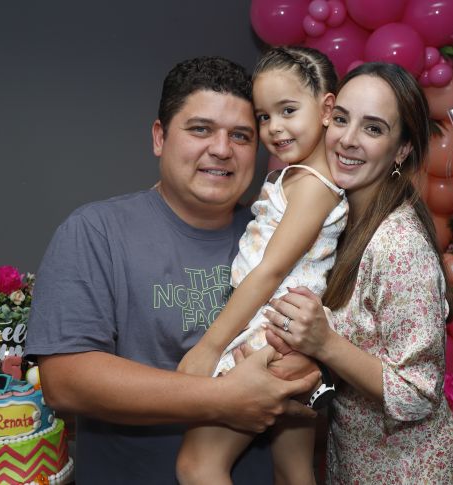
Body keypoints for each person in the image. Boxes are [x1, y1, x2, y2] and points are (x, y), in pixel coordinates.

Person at [23, 56, 321, 485]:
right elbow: (66, 380)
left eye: (241, 135)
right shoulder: (96, 231)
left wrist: (310, 368)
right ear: (160, 137)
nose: (221, 149)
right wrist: (222, 399)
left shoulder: (280, 235)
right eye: (200, 129)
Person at [263, 62, 453, 483]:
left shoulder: (398, 243)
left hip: (411, 473)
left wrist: (324, 343)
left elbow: (417, 394)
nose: (348, 139)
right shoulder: (337, 220)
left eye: (373, 129)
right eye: (341, 119)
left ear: (401, 150)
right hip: (357, 463)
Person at [174, 46, 347, 485]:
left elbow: (269, 270)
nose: (274, 128)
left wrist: (211, 346)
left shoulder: (313, 186)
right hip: (288, 335)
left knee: (197, 466)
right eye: (264, 117)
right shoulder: (296, 179)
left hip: (267, 329)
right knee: (292, 472)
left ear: (327, 108)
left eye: (288, 110)